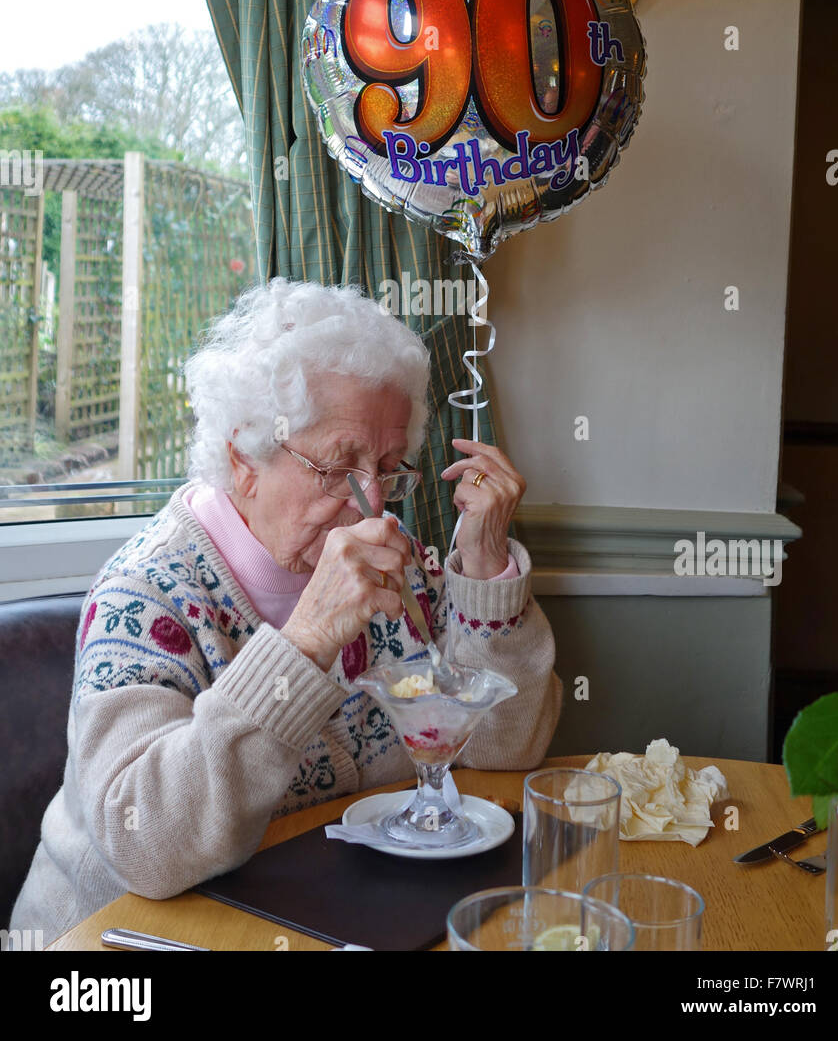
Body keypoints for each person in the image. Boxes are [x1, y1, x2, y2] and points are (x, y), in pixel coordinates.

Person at [9, 279, 562, 944]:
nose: (375, 505)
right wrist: (303, 644)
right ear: (243, 458)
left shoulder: (393, 563)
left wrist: (483, 569)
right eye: (339, 468)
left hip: (320, 914)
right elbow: (147, 847)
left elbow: (504, 746)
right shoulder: (143, 596)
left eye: (390, 466)